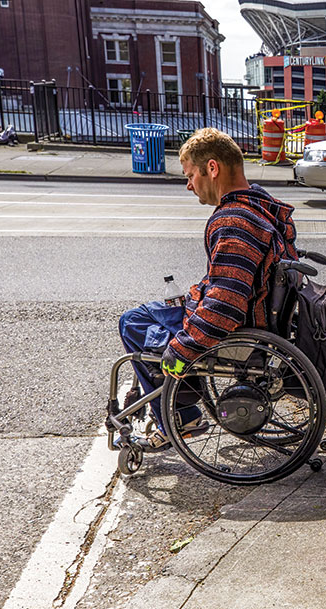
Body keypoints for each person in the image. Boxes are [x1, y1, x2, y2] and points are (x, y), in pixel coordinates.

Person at [117, 127, 299, 451]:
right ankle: (184, 403)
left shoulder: (234, 221)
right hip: (254, 317)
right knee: (156, 312)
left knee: (133, 322)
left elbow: (226, 304)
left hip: (238, 332)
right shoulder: (262, 207)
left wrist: (181, 350)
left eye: (190, 175)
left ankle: (181, 415)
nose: (189, 185)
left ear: (212, 168)